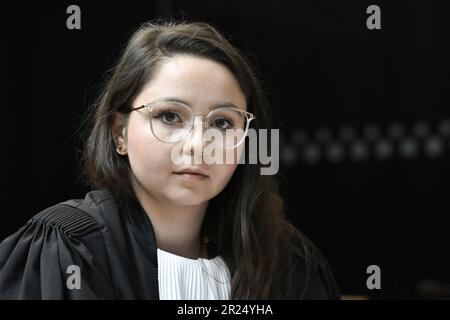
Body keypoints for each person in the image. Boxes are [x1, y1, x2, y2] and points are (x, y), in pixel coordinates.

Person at [0, 20, 340, 300]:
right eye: (169, 116)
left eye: (223, 122)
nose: (197, 145)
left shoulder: (288, 262)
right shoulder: (68, 248)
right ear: (120, 132)